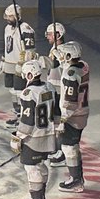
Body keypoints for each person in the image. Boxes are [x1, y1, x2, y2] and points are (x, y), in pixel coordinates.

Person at [11, 59, 58, 199]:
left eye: (25, 75)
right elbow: (56, 110)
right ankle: (41, 196)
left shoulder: (28, 93)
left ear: (30, 74)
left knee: (32, 167)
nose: (24, 77)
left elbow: (27, 120)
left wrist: (19, 137)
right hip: (49, 135)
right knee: (41, 165)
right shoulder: (49, 87)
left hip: (34, 138)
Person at [54, 41, 90, 193]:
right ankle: (77, 178)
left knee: (69, 148)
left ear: (69, 56)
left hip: (73, 116)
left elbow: (70, 100)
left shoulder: (71, 75)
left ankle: (76, 180)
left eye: (64, 55)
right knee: (72, 147)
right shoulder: (83, 66)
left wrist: (63, 120)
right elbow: (70, 68)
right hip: (82, 113)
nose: (61, 57)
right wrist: (62, 59)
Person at [1, 5, 37, 127]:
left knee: (19, 91)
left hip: (20, 67)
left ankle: (23, 116)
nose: (8, 18)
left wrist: (22, 64)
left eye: (10, 16)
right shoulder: (7, 28)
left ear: (17, 16)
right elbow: (7, 45)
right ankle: (17, 114)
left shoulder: (26, 29)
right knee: (12, 90)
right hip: (9, 64)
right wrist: (3, 59)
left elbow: (30, 50)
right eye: (7, 16)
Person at [42, 22, 67, 162]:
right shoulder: (55, 48)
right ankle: (56, 148)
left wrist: (38, 60)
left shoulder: (62, 50)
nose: (47, 36)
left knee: (59, 121)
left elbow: (55, 64)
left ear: (58, 35)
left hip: (59, 91)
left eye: (50, 34)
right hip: (53, 89)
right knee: (54, 120)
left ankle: (61, 151)